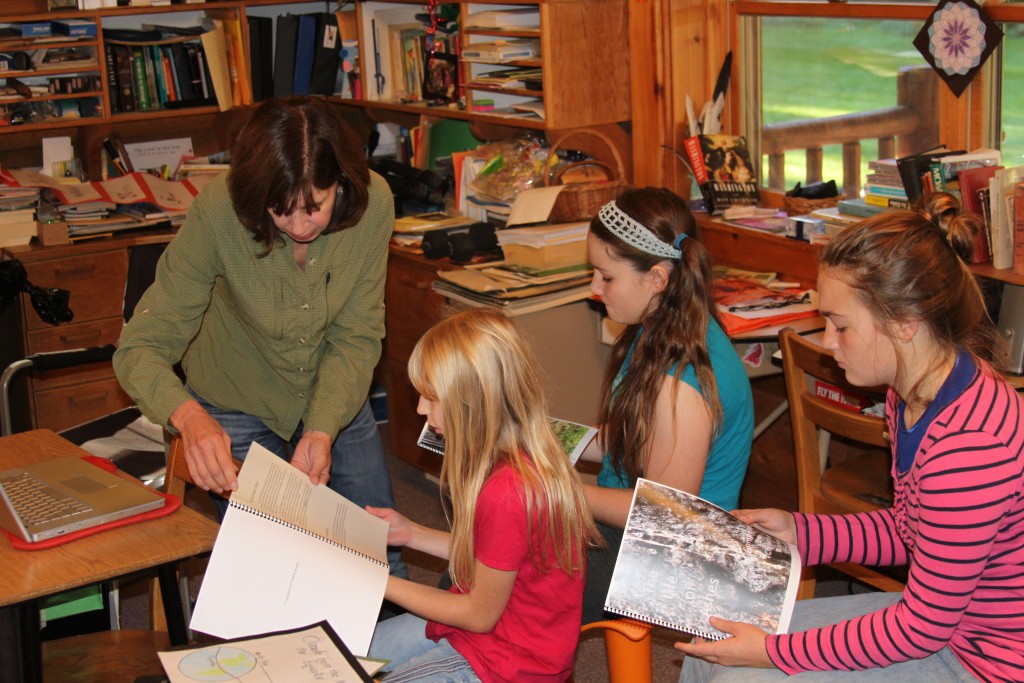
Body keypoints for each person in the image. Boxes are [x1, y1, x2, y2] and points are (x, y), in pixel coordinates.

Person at [677, 191, 1024, 682]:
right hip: (950, 629)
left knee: (742, 674)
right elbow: (913, 533)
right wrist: (801, 533)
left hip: (984, 661)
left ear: (904, 325)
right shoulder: (916, 390)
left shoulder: (969, 445)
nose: (826, 342)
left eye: (840, 325)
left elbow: (919, 630)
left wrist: (774, 654)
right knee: (714, 639)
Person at [113, 96, 406, 576]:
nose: (297, 226)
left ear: (343, 184)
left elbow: (356, 336)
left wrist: (322, 426)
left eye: (315, 207)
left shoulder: (374, 206)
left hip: (332, 392)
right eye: (280, 210)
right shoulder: (218, 214)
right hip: (235, 401)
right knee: (271, 573)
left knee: (376, 553)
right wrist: (189, 418)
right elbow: (140, 347)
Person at [365, 308, 601, 682]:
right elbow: (495, 558)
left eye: (431, 396)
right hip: (495, 633)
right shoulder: (520, 459)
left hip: (507, 663)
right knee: (350, 649)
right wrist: (412, 533)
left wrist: (377, 581)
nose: (420, 408)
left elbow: (478, 614)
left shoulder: (507, 490)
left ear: (474, 401)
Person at [581, 187, 755, 623]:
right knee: (495, 543)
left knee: (513, 577)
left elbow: (662, 515)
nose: (594, 287)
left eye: (606, 276)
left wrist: (564, 494)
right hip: (630, 531)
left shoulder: (682, 382)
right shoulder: (659, 327)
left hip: (671, 556)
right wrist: (542, 438)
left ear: (658, 278)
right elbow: (629, 439)